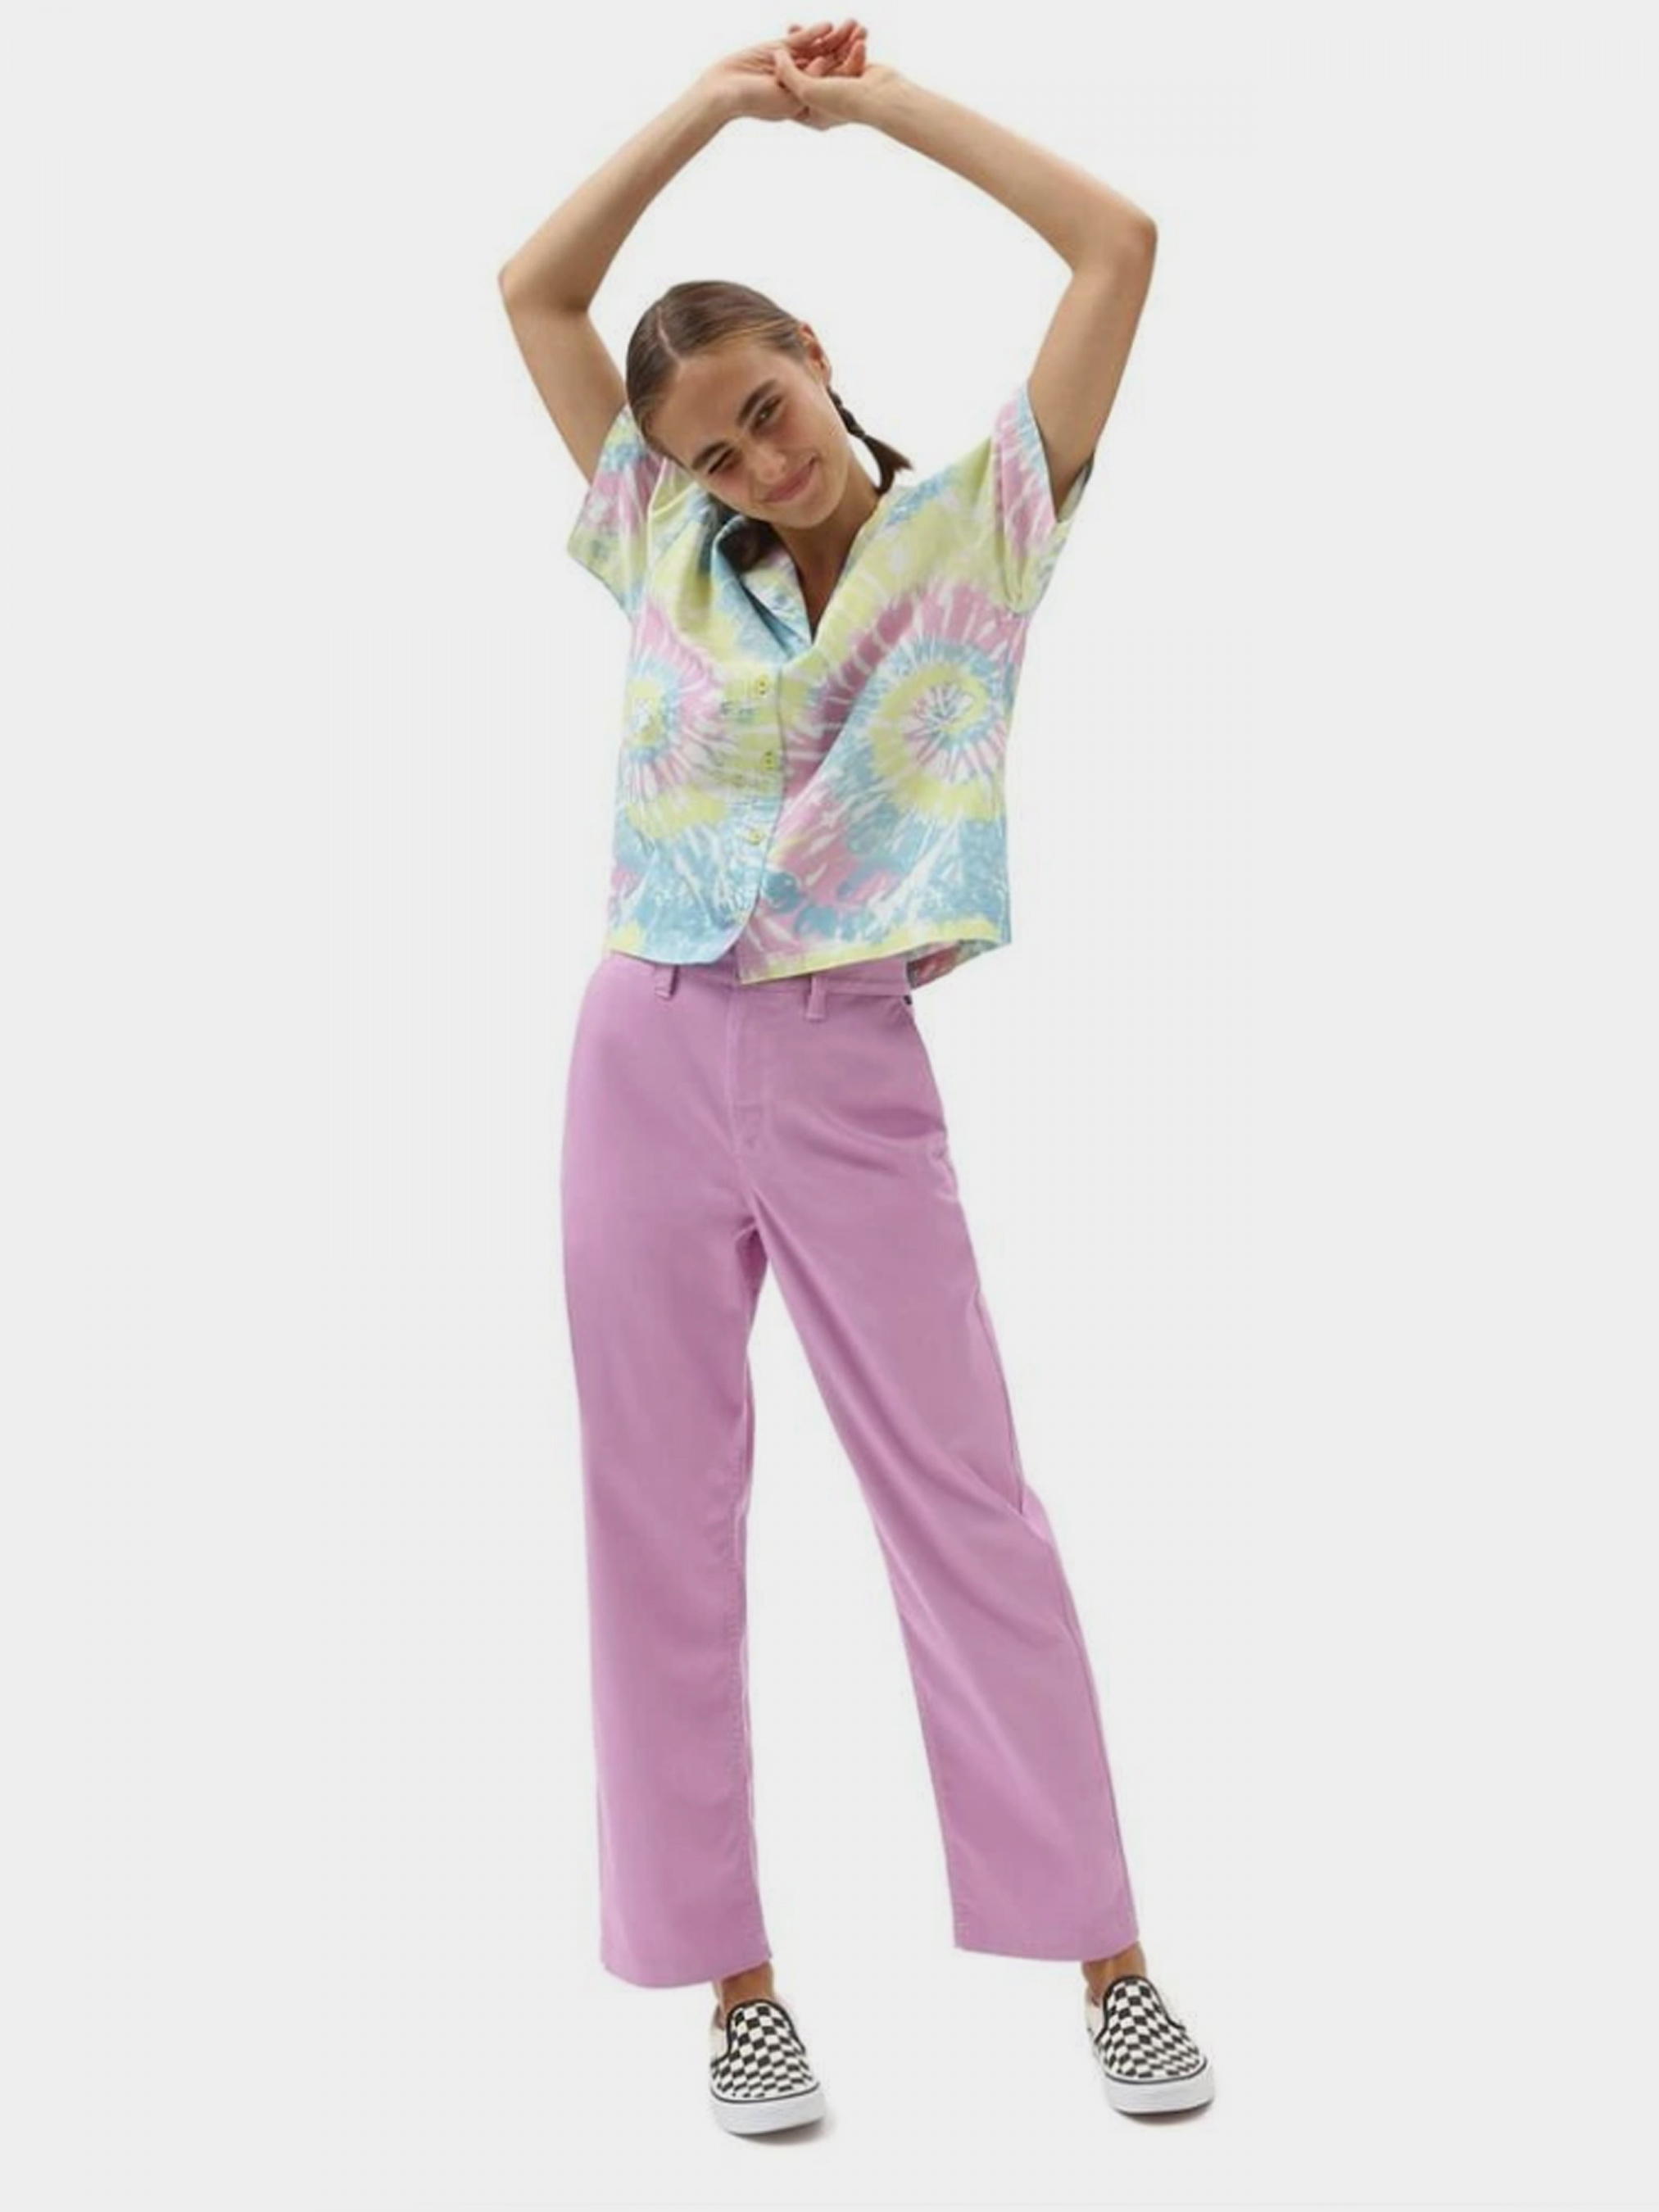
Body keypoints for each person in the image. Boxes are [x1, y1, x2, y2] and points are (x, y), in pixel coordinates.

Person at [501, 18, 1213, 2134]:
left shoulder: (984, 523)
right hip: (638, 1046)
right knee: (656, 1511)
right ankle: (735, 1990)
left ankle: (1108, 1962)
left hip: (845, 1061)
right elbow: (535, 292)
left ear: (814, 357)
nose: (755, 464)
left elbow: (1118, 243)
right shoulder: (658, 539)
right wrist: (705, 108)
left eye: (764, 410)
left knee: (964, 1500)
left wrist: (859, 110)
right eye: (714, 455)